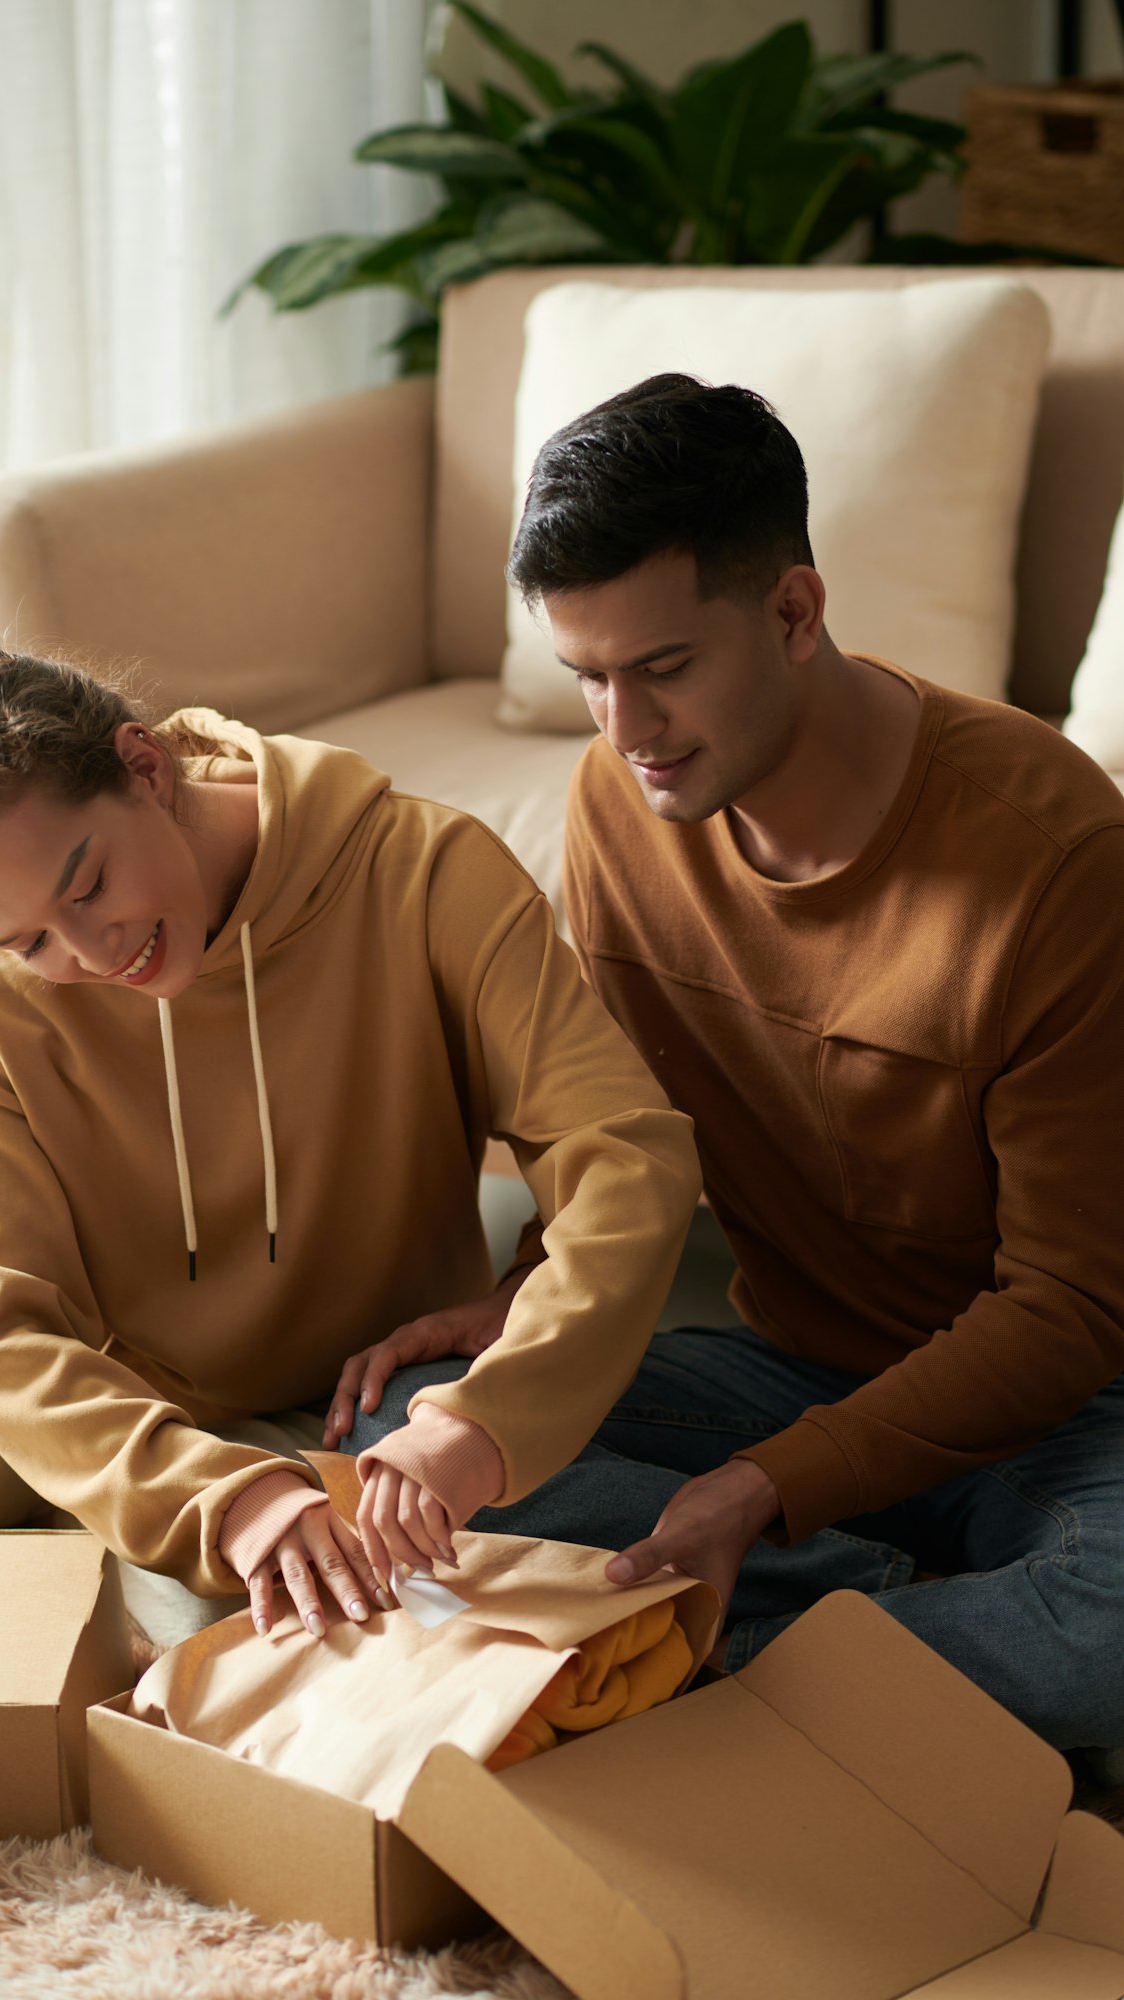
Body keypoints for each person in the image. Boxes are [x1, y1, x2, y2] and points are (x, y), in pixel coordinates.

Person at [341, 373, 1124, 1761]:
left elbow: (1068, 1310)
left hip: (1062, 1410)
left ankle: (722, 1638)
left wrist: (765, 1490)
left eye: (662, 669)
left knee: (1105, 1632)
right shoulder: (620, 802)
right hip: (796, 1368)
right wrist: (527, 1313)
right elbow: (614, 1124)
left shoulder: (1055, 850)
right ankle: (871, 1653)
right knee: (411, 1437)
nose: (626, 733)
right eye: (588, 679)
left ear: (793, 612)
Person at [0, 647, 702, 1639]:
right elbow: (2, 1329)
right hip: (78, 1382)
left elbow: (625, 1150)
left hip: (343, 1394)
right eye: (29, 942)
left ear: (145, 765)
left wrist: (491, 1403)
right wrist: (222, 1498)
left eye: (87, 885)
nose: (92, 955)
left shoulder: (422, 872)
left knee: (228, 1666)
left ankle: (23, 1483)